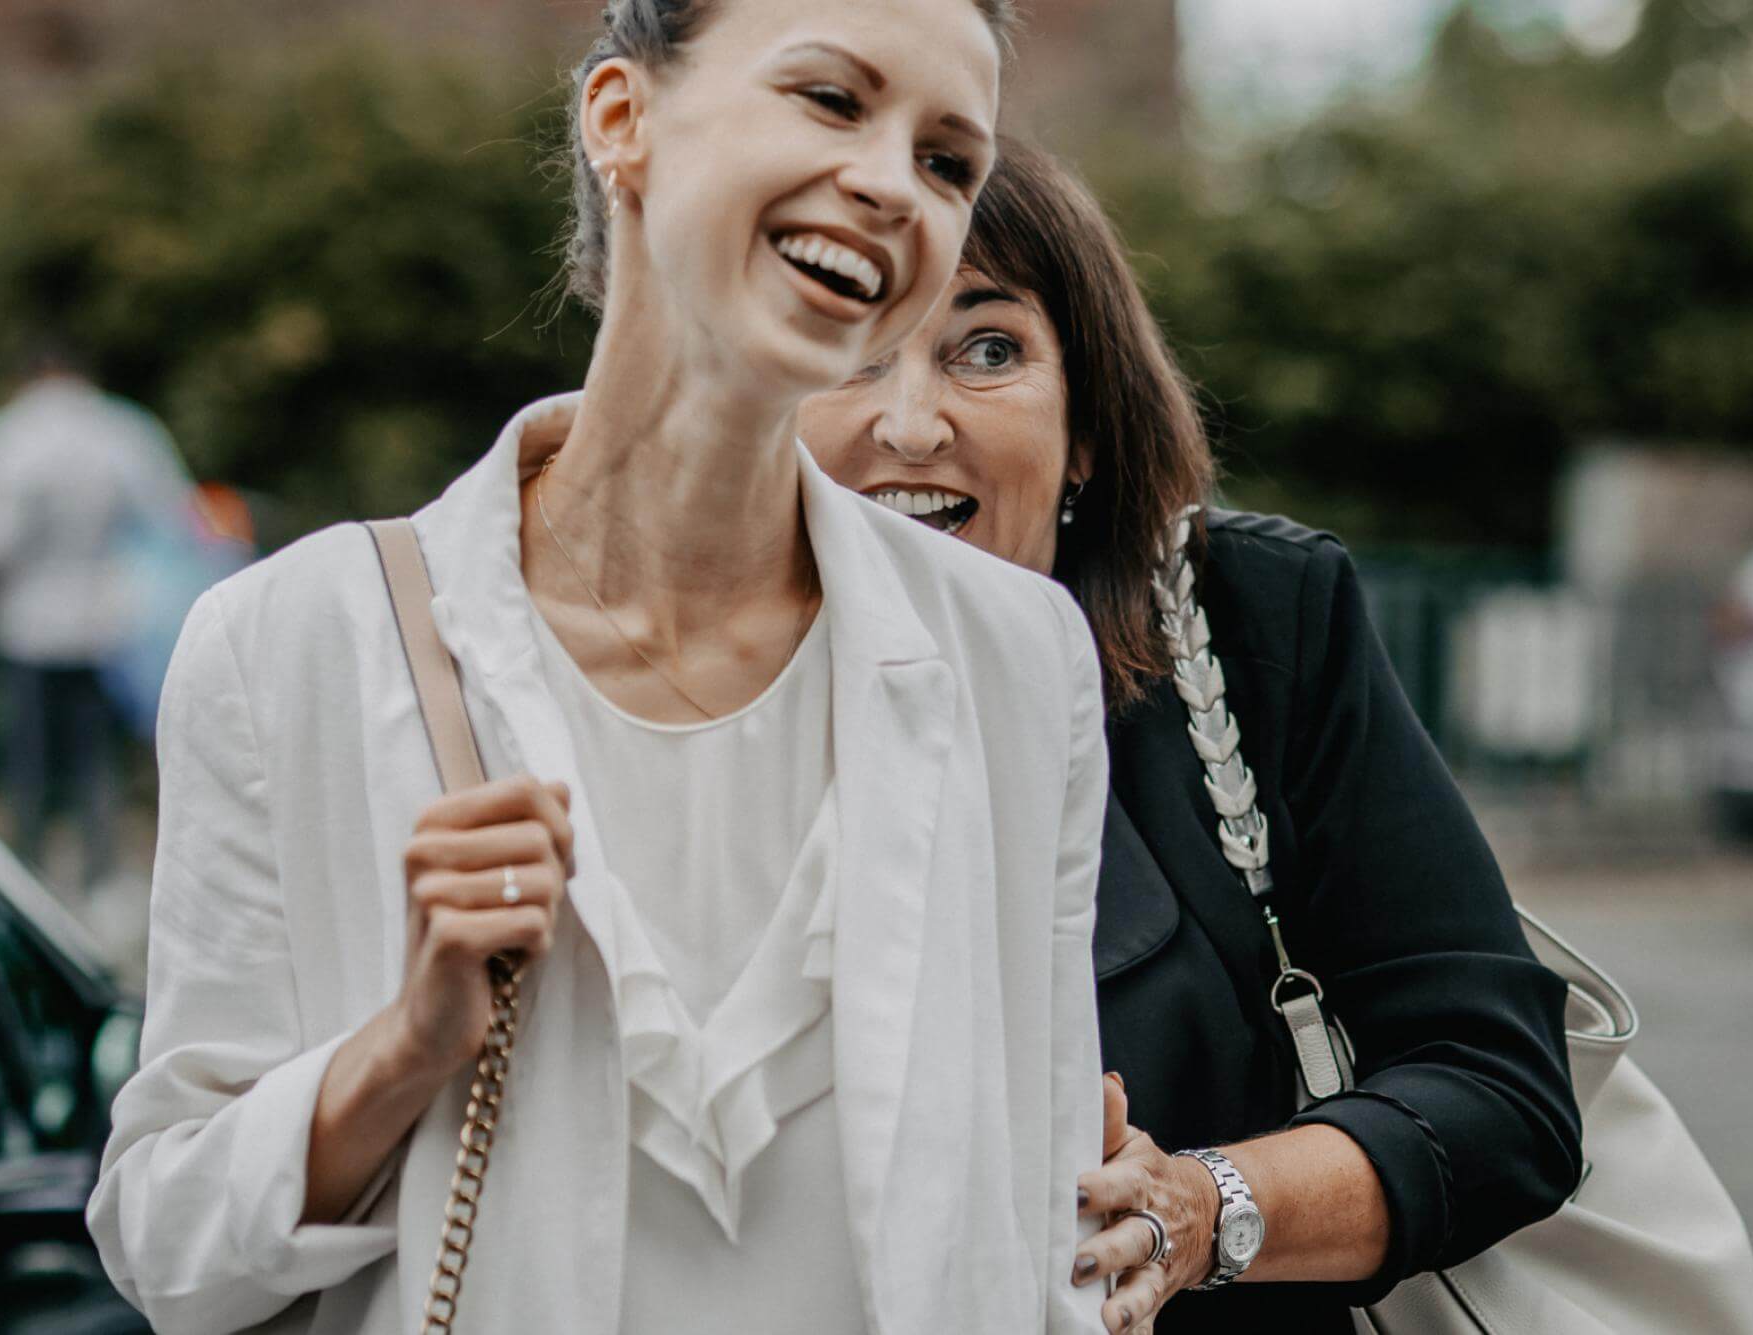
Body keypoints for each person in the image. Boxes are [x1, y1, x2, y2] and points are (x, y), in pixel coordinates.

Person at [88, 4, 1113, 1333]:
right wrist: (404, 1049)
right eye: (831, 99)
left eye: (947, 161)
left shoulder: (1016, 660)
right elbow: (168, 1246)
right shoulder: (294, 643)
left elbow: (1043, 1243)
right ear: (623, 119)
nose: (889, 184)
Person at [799, 139, 1584, 1334]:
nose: (910, 423)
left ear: (1088, 433)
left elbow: (1496, 1089)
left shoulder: (1252, 625)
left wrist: (1209, 1207)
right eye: (847, 352)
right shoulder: (638, 676)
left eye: (988, 348)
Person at [0, 339, 193, 889]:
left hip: (26, 623)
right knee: (97, 763)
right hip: (107, 620)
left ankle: (24, 883)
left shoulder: (7, 436)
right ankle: (99, 881)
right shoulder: (126, 430)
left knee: (28, 763)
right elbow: (171, 519)